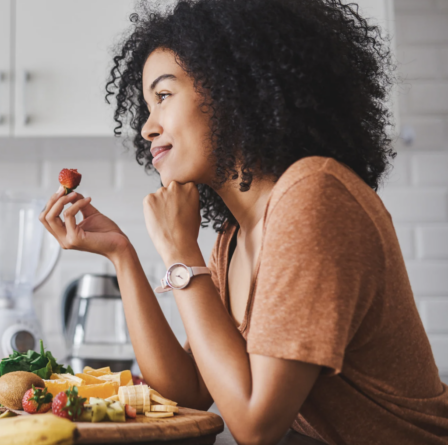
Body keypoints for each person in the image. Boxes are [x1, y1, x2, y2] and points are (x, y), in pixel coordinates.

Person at [39, 1, 448, 444]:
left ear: (233, 89)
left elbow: (255, 425)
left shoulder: (315, 196)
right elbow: (188, 391)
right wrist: (122, 256)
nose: (147, 127)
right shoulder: (233, 239)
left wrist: (181, 252)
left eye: (163, 96)